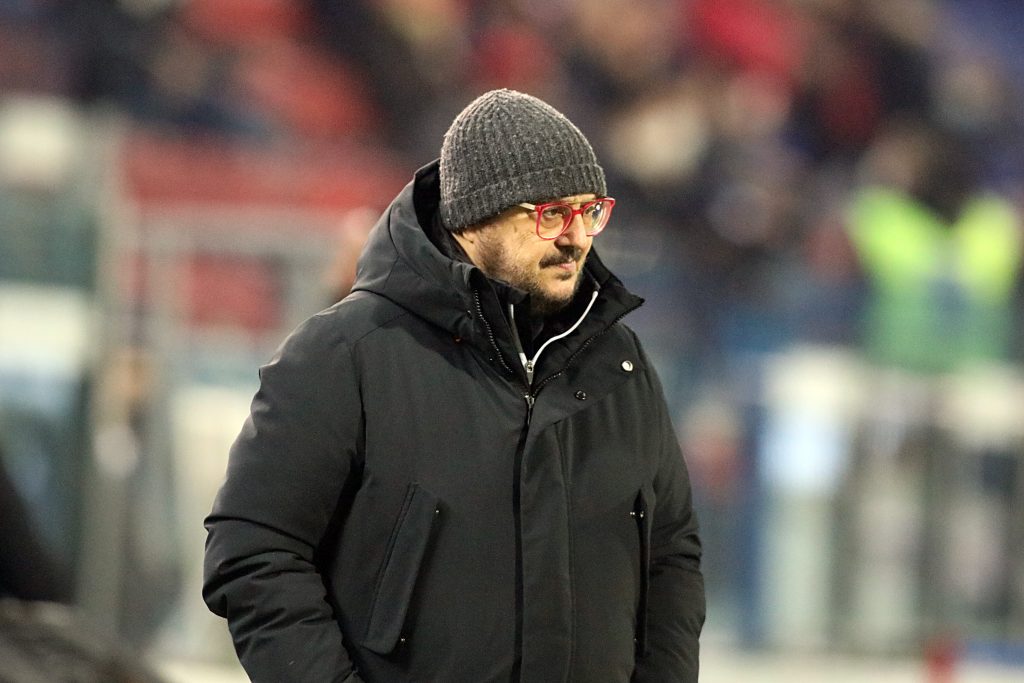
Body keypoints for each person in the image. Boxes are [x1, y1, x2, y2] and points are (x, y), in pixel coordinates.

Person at [203, 89, 705, 682]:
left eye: (589, 211)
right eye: (550, 215)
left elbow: (671, 555)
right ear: (473, 218)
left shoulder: (620, 363)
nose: (576, 238)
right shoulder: (344, 355)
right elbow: (255, 550)